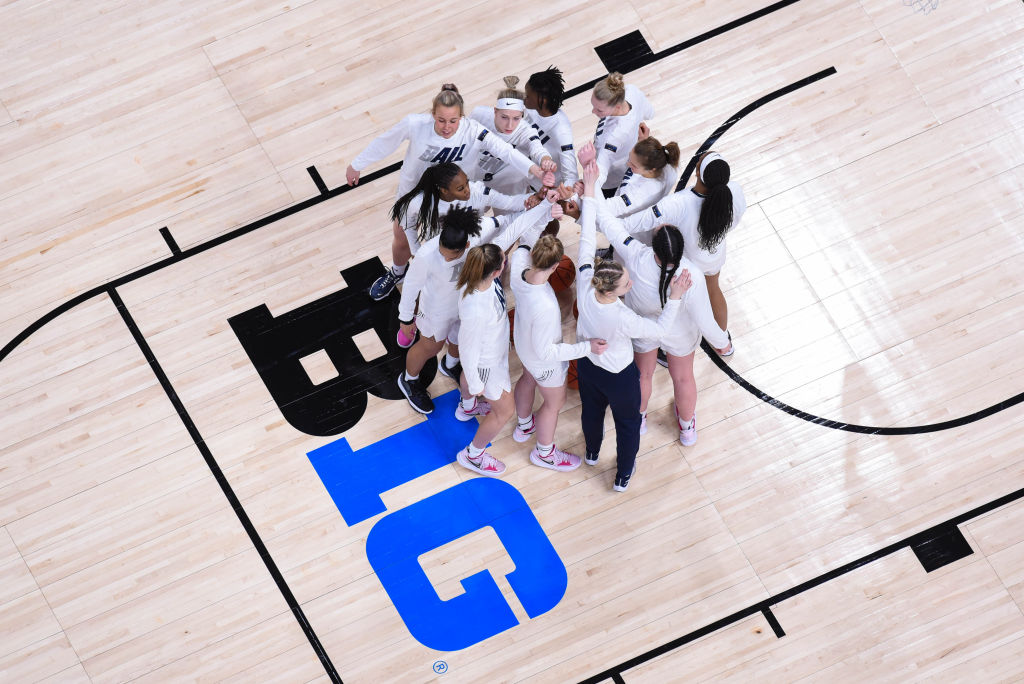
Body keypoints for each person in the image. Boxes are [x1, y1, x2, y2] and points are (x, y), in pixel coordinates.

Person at [344, 83, 546, 300]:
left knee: (458, 242)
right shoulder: (415, 124)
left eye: (453, 121)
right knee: (402, 235)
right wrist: (357, 164)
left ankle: (459, 282)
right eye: (441, 120)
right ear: (432, 115)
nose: (447, 127)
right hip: (415, 193)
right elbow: (386, 142)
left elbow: (505, 151)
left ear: (462, 117)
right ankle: (397, 272)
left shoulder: (473, 130)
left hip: (455, 197)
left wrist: (535, 169)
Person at [575, 151, 691, 492]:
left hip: (587, 366)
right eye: (627, 284)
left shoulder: (585, 281)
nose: (631, 283)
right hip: (618, 376)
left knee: (591, 414)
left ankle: (593, 452)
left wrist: (590, 184)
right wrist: (674, 299)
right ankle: (623, 474)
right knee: (627, 426)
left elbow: (590, 236)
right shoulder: (625, 318)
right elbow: (658, 330)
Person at [396, 200, 557, 416]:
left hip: (465, 304)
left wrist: (546, 203)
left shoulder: (479, 233)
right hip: (437, 309)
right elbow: (410, 287)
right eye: (442, 252)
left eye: (450, 256)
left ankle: (450, 365)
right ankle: (409, 380)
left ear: (467, 247)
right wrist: (406, 319)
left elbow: (513, 224)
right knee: (430, 347)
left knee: (459, 342)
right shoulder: (427, 255)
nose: (444, 257)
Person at [595, 197, 729, 446]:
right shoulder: (692, 276)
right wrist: (722, 343)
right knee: (683, 378)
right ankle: (687, 429)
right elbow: (705, 320)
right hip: (679, 332)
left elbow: (609, 224)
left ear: (655, 249)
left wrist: (592, 188)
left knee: (643, 375)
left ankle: (640, 418)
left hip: (645, 326)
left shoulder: (635, 254)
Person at [622, 150, 746, 341]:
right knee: (714, 290)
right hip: (714, 253)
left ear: (698, 170)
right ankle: (722, 337)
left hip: (688, 263)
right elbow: (734, 220)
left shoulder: (678, 203)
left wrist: (600, 220)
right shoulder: (734, 191)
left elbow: (637, 222)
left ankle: (671, 346)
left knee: (676, 305)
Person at [509, 232, 607, 471]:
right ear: (556, 266)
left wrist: (544, 209)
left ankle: (524, 426)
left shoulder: (518, 267)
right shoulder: (545, 305)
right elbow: (546, 352)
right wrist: (586, 348)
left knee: (526, 378)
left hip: (522, 343)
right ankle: (544, 453)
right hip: (543, 360)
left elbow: (524, 240)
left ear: (533, 254)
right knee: (554, 403)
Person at [390, 162, 531, 261]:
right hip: (437, 252)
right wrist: (416, 252)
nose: (467, 190)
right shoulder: (420, 201)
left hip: (471, 248)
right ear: (444, 191)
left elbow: (509, 202)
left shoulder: (478, 192)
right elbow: (408, 225)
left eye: (467, 183)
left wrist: (535, 198)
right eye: (460, 189)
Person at [468, 76, 556, 200]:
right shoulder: (479, 114)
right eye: (504, 117)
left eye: (516, 118)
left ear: (522, 115)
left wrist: (546, 160)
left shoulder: (527, 131)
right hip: (473, 178)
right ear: (495, 111)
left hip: (507, 185)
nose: (510, 125)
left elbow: (538, 149)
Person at [581, 73, 654, 195]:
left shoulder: (615, 136)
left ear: (617, 107)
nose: (593, 111)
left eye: (599, 110)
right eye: (593, 106)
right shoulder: (631, 90)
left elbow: (602, 169)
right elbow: (650, 113)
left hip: (610, 181)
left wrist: (588, 186)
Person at [524, 66, 578, 186]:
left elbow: (571, 176)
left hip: (538, 188)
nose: (524, 99)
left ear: (542, 101)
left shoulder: (561, 132)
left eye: (528, 96)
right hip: (521, 174)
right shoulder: (530, 108)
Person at [604, 136, 680, 220]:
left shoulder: (638, 194)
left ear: (651, 170)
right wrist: (642, 142)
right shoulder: (668, 163)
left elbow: (605, 209)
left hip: (623, 221)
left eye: (634, 165)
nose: (628, 164)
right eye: (630, 157)